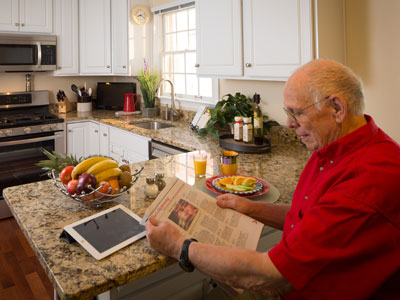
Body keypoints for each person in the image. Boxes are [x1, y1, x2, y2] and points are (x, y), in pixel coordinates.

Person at [145, 59, 400, 299]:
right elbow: (313, 216)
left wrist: (179, 246)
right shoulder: (335, 145)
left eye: (296, 112)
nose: (288, 123)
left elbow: (272, 275)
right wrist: (248, 207)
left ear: (337, 108)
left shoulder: (369, 180)